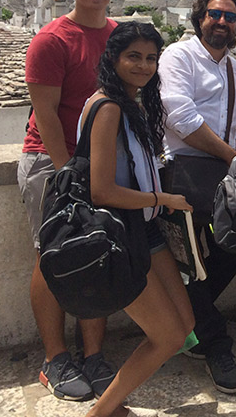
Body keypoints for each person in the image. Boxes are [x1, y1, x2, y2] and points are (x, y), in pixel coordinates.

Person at [79, 22, 195, 417]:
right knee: (166, 336)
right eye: (134, 56)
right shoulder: (109, 108)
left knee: (184, 324)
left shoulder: (132, 104)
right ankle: (103, 412)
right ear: (113, 58)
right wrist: (163, 198)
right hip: (121, 231)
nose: (144, 66)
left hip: (144, 227)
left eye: (151, 58)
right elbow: (102, 190)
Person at [18, 0, 118, 402]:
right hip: (52, 159)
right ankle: (55, 358)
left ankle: (93, 354)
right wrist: (66, 174)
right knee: (52, 253)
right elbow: (47, 114)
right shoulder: (52, 39)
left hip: (99, 162)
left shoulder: (119, 37)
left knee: (94, 252)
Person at [158, 0, 236, 394]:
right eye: (214, 14)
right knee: (191, 259)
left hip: (219, 171)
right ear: (199, 19)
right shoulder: (178, 57)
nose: (222, 22)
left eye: (230, 17)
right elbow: (180, 117)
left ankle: (188, 318)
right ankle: (215, 344)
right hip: (182, 171)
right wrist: (232, 156)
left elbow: (230, 129)